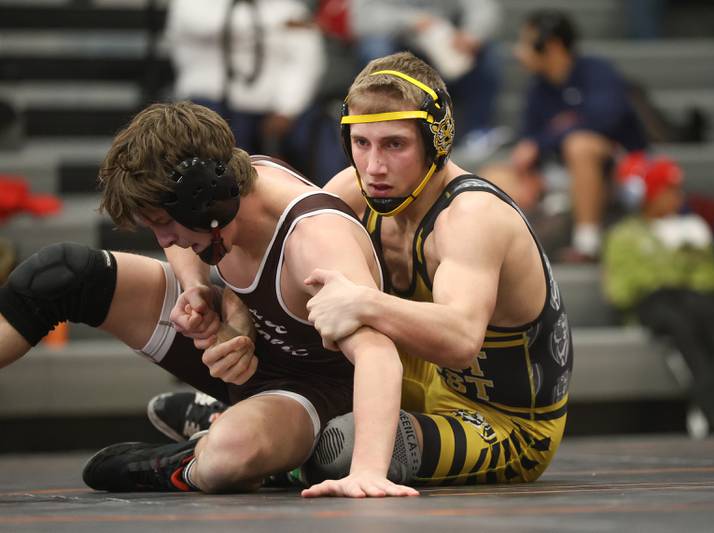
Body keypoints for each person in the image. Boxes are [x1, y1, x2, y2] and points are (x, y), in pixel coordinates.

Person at [151, 51, 573, 491]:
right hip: (416, 379)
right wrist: (238, 317)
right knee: (321, 312)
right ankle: (241, 425)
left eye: (395, 144)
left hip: (503, 423)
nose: (374, 167)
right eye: (361, 143)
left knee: (346, 446)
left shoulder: (471, 217)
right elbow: (272, 253)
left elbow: (461, 340)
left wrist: (366, 301)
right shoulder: (355, 189)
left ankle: (233, 444)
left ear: (435, 142)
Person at [0, 101, 416, 498]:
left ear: (205, 199)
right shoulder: (223, 183)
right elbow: (180, 236)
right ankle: (217, 420)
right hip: (245, 355)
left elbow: (377, 353)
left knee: (229, 455)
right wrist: (196, 286)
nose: (163, 240)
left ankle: (187, 459)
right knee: (64, 275)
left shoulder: (314, 240)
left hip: (314, 392)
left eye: (164, 224)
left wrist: (366, 472)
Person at [603, 154, 714, 437]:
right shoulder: (623, 234)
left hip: (696, 299)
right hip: (652, 304)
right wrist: (673, 273)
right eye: (669, 190)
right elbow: (621, 289)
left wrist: (687, 260)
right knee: (677, 322)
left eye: (678, 190)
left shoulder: (693, 228)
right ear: (649, 195)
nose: (678, 197)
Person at [505, 9, 648, 261]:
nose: (519, 52)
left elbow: (602, 121)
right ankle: (512, 253)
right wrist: (528, 168)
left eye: (527, 43)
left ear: (552, 45)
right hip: (560, 170)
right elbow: (528, 139)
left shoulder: (597, 71)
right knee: (495, 175)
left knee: (579, 145)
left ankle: (587, 241)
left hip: (617, 166)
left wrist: (541, 143)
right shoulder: (538, 88)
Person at [165, 0, 326, 157]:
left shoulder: (290, 7)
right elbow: (205, 25)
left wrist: (287, 108)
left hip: (269, 110)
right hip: (207, 102)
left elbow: (305, 61)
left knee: (315, 128)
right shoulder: (190, 4)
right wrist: (279, 24)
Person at [348, 0, 505, 153]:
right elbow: (362, 19)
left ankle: (476, 133)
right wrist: (412, 21)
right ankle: (385, 124)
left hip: (442, 42)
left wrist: (472, 34)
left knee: (487, 55)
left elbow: (482, 7)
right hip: (397, 40)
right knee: (375, 48)